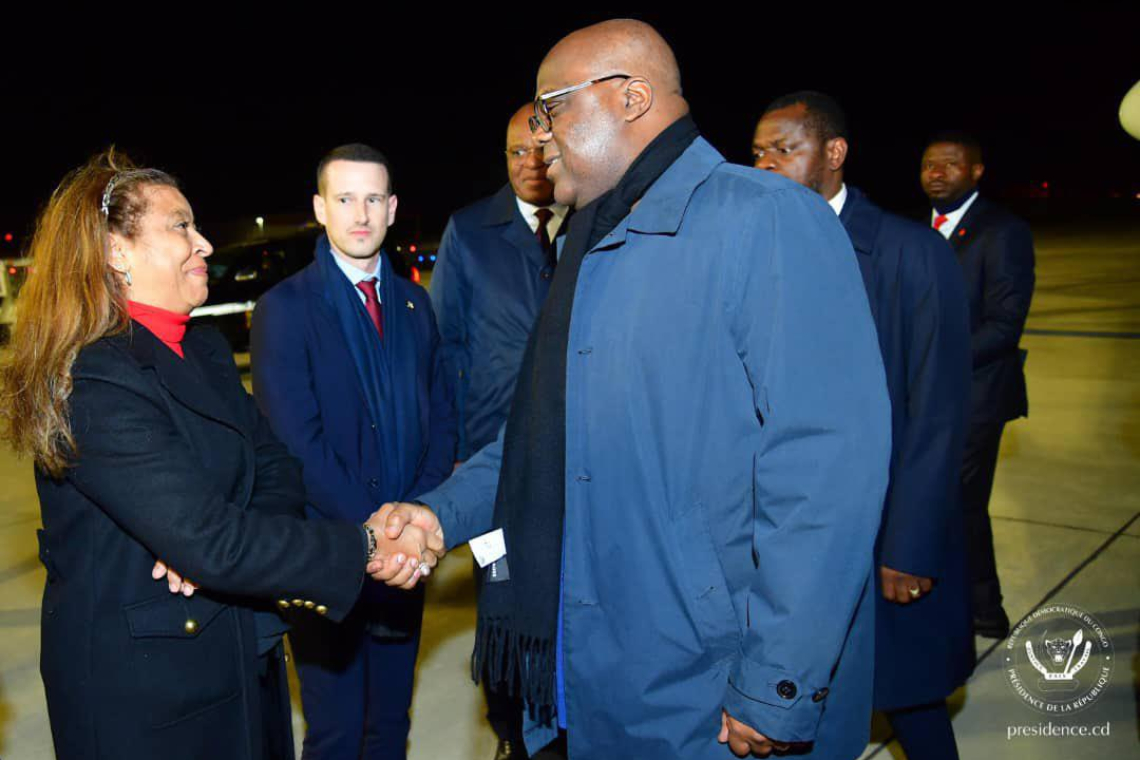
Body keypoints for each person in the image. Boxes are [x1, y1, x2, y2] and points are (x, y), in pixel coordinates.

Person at [378, 19, 891, 760]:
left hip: (708, 687)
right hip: (593, 671)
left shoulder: (766, 220)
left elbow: (827, 471)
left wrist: (777, 682)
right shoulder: (588, 246)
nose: (538, 133)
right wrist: (437, 514)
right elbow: (546, 438)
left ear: (631, 98)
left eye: (550, 108)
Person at [0, 150, 437, 760]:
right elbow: (212, 540)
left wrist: (205, 541)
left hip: (238, 655)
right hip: (149, 696)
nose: (203, 243)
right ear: (114, 252)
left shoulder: (201, 350)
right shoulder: (95, 377)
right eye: (180, 226)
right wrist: (359, 545)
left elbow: (277, 468)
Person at [754, 92, 974, 760]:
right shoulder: (752, 251)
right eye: (757, 152)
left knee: (908, 700)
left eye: (782, 150)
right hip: (786, 530)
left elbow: (938, 410)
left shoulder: (908, 253)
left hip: (880, 529)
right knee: (788, 703)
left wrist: (908, 544)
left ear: (834, 154)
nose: (763, 166)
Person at [250, 143, 457, 759]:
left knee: (391, 723)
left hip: (403, 556)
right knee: (337, 731)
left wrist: (412, 518)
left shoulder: (416, 306)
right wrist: (377, 534)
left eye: (373, 198)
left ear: (393, 209)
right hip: (330, 556)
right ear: (321, 208)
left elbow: (442, 418)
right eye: (344, 198)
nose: (360, 213)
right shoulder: (284, 310)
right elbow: (296, 443)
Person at [430, 104, 568, 760]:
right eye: (516, 153)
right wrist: (454, 455)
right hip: (490, 467)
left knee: (565, 596)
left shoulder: (592, 224)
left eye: (540, 152)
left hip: (570, 462)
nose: (530, 165)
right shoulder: (469, 232)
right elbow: (444, 347)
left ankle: (560, 722)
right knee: (502, 590)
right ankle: (511, 728)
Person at [920, 132, 1036, 639]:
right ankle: (967, 602)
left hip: (977, 397)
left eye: (949, 164)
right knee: (940, 501)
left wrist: (928, 360)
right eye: (929, 165)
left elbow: (1005, 325)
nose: (936, 173)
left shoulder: (1003, 230)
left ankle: (985, 608)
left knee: (960, 502)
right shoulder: (917, 229)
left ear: (977, 171)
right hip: (927, 397)